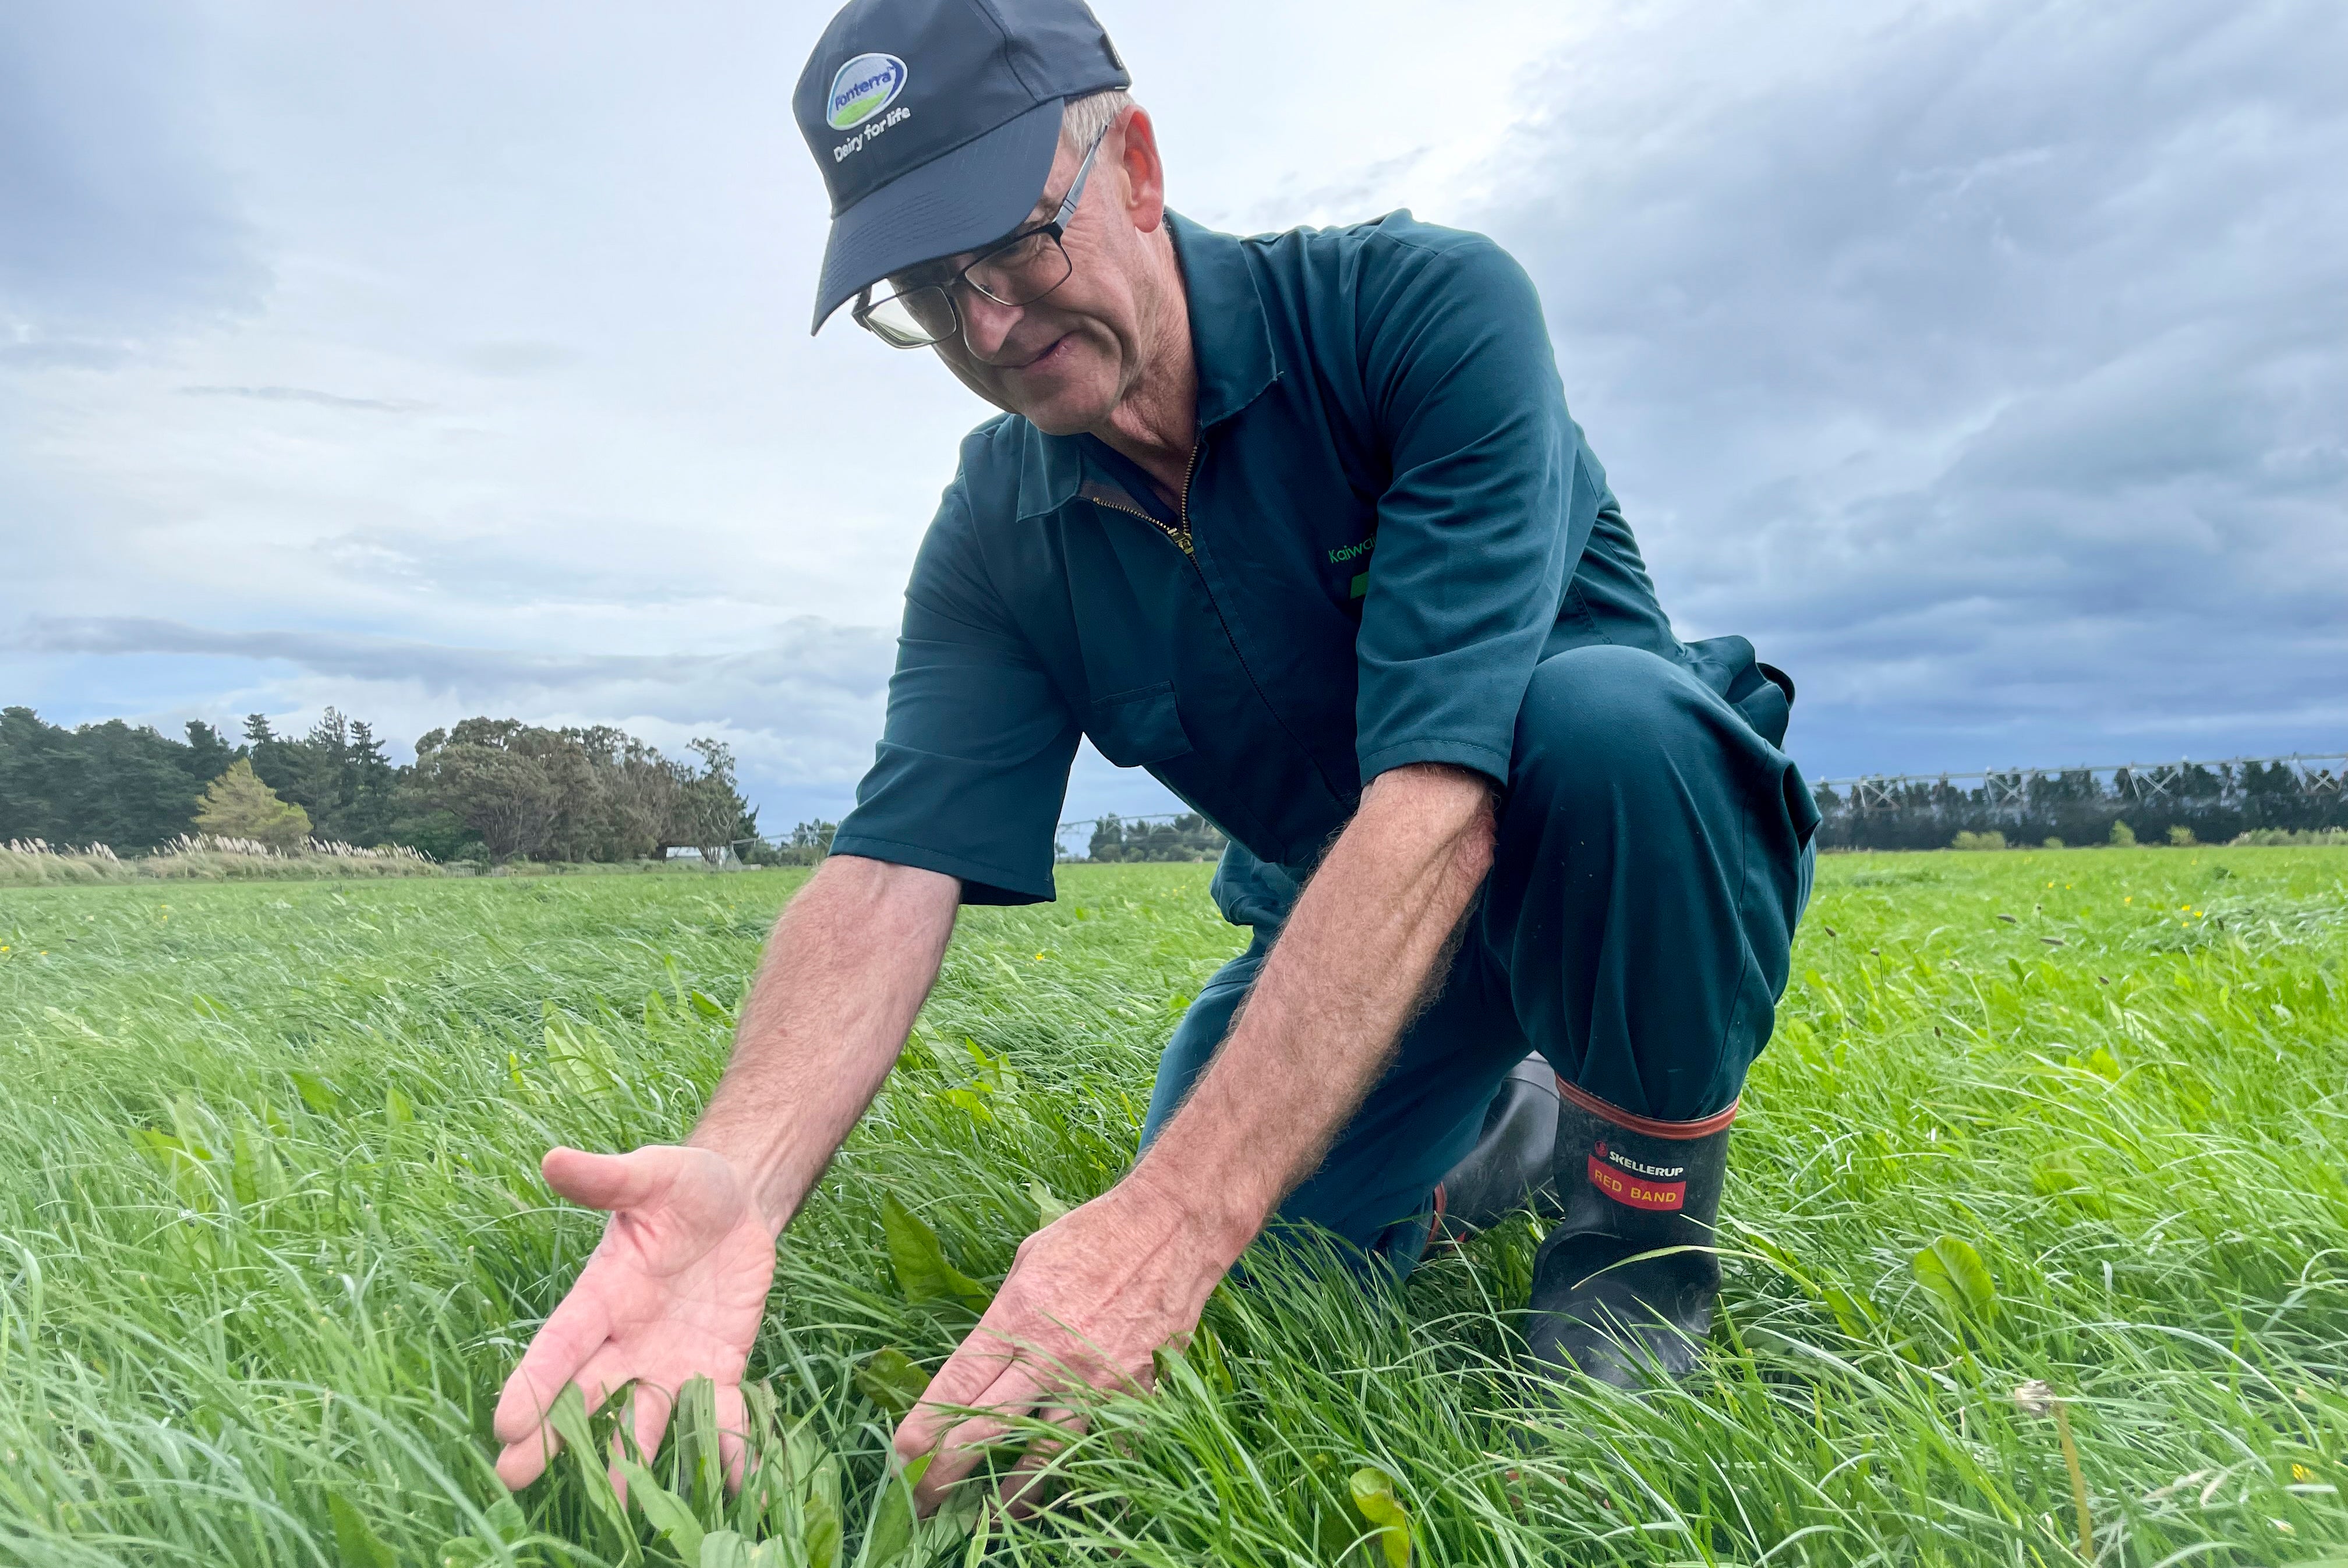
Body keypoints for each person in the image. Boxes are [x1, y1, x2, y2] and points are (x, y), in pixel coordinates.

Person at [492, 0, 1818, 1513]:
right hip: (1344, 935)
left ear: (1132, 163)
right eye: (929, 289)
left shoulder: (1418, 313)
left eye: (1012, 246)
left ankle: (1631, 1248)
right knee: (1252, 1295)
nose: (988, 324)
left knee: (1604, 727)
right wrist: (741, 1174)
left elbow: (1445, 803)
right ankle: (1499, 1126)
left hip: (1618, 855)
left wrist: (1168, 1220)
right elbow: (886, 872)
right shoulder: (1000, 533)